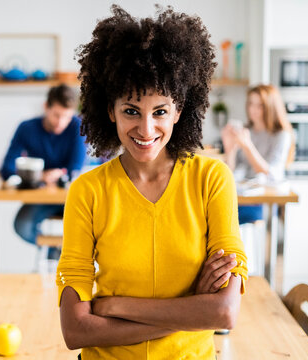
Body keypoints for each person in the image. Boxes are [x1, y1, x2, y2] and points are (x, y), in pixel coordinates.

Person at [57, 6, 248, 359]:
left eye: (160, 111)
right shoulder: (88, 191)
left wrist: (113, 305)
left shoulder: (212, 179)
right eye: (131, 110)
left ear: (179, 111)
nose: (146, 130)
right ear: (109, 110)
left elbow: (224, 312)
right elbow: (75, 330)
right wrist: (193, 309)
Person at [1, 84, 86, 259]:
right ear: (45, 107)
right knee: (22, 226)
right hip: (40, 198)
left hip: (72, 200)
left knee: (93, 231)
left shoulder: (78, 127)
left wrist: (59, 174)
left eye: (66, 117)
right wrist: (37, 177)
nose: (60, 122)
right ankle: (56, 255)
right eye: (56, 115)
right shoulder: (26, 128)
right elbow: (7, 169)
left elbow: (76, 167)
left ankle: (71, 260)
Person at [221, 84, 293, 224]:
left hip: (263, 202)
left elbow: (270, 172)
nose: (253, 110)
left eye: (260, 105)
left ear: (270, 108)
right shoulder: (247, 130)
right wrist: (229, 148)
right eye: (251, 104)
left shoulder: (281, 135)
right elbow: (231, 171)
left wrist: (247, 145)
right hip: (241, 196)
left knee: (222, 219)